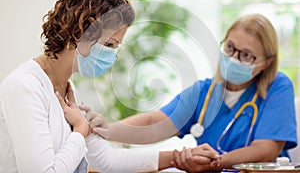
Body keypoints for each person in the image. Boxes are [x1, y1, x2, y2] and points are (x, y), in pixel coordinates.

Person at [0, 0, 220, 173]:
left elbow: (108, 160)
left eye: (115, 47)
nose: (112, 56)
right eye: (109, 44)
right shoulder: (24, 87)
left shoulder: (68, 90)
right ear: (77, 33)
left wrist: (177, 158)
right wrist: (79, 131)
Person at [83, 13, 298, 172]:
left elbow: (266, 149)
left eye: (247, 55)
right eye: (230, 48)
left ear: (266, 63)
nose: (234, 58)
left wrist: (214, 163)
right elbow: (153, 123)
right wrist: (105, 130)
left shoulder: (278, 87)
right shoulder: (203, 92)